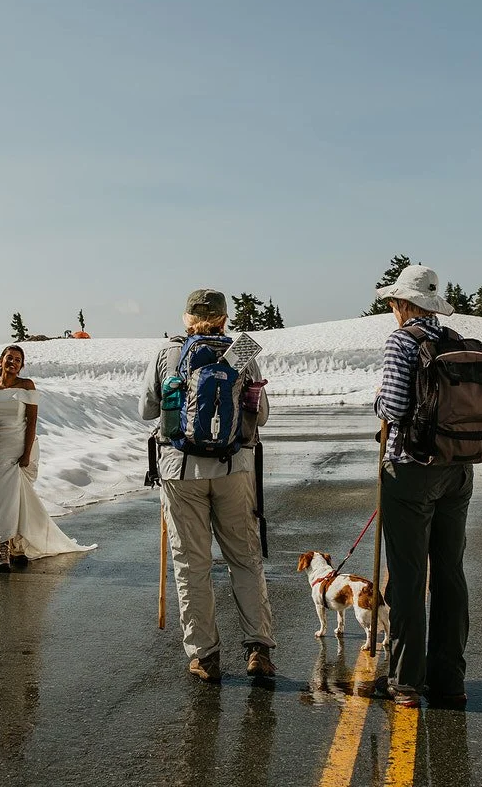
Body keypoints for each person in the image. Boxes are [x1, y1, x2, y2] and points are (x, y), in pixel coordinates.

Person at [139, 288, 275, 683]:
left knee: (192, 563)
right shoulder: (243, 351)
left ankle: (205, 655)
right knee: (245, 557)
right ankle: (259, 649)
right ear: (223, 318)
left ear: (187, 318)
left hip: (180, 471)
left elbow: (146, 409)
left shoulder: (168, 353)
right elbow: (261, 415)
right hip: (234, 467)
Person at [373, 264, 475, 709]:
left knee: (411, 576)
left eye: (395, 303)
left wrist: (377, 401)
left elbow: (393, 406)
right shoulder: (456, 342)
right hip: (459, 468)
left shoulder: (402, 340)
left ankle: (406, 680)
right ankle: (449, 678)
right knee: (450, 572)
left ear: (403, 304)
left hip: (410, 470)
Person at [0, 344, 95, 573]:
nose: (13, 362)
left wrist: (26, 454)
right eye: (9, 358)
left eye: (18, 360)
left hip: (23, 445)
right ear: (0, 361)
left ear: (22, 365)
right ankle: (2, 545)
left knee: (18, 498)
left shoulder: (27, 386)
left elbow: (32, 422)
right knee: (2, 497)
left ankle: (16, 546)